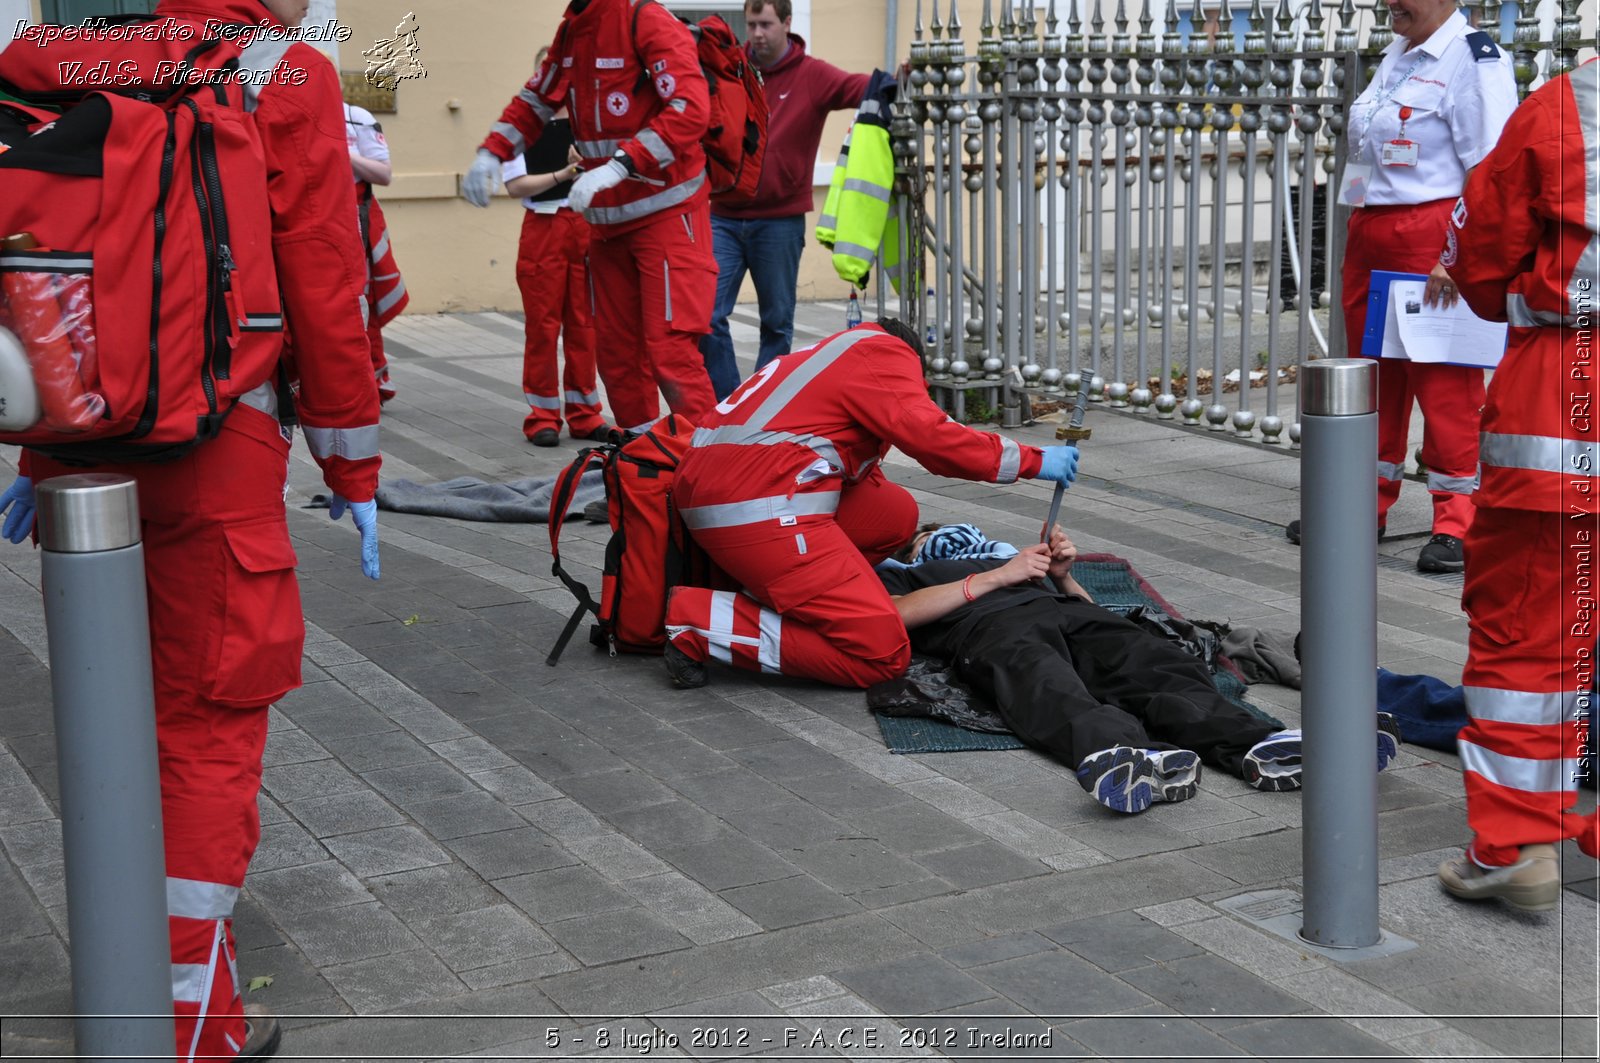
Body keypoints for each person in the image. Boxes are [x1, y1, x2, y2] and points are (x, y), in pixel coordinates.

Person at [0, 1, 383, 1058]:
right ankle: (175, 1025)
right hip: (216, 459)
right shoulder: (287, 74)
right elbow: (325, 281)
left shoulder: (61, 55)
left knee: (107, 721)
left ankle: (175, 1002)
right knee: (206, 727)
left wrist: (39, 452)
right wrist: (352, 465)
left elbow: (42, 266)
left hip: (81, 440)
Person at [660, 319, 1081, 690]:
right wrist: (1035, 460)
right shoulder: (885, 353)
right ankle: (699, 619)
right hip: (757, 503)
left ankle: (804, 593)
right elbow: (933, 438)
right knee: (881, 654)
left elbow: (850, 466)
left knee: (893, 513)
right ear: (912, 357)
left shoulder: (830, 352)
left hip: (719, 489)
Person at [877, 523, 1403, 813]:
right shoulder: (902, 575)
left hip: (1064, 611)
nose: (950, 539)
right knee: (1043, 682)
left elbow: (1084, 608)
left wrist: (1061, 578)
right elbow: (893, 618)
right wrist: (992, 579)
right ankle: (1126, 756)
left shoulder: (1012, 561)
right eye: (932, 534)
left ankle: (1259, 745)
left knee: (1149, 663)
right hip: (988, 629)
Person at [1431, 58, 1600, 912]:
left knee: (1528, 633)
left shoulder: (1565, 106)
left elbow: (1480, 260)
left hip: (1565, 401)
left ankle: (1517, 845)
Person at [1288, 0, 1516, 572]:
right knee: (1371, 377)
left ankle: (1458, 521)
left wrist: (1456, 255)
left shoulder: (1474, 60)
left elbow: (1492, 169)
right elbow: (1369, 149)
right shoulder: (1398, 54)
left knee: (1444, 383)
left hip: (1433, 236)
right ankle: (1362, 506)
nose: (1388, 3)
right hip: (1372, 230)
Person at [461, 0, 719, 434]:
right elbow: (536, 100)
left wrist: (621, 164)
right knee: (617, 357)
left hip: (667, 212)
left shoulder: (645, 19)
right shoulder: (574, 30)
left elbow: (690, 108)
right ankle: (643, 467)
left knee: (670, 353)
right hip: (607, 225)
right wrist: (493, 152)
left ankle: (709, 471)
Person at [696, 0, 870, 397]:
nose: (756, 33)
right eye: (751, 24)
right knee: (706, 316)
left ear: (787, 23)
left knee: (776, 322)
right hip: (722, 215)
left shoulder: (812, 75)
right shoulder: (731, 67)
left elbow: (864, 88)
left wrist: (901, 79)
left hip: (779, 221)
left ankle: (760, 404)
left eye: (766, 24)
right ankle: (728, 406)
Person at [500, 48, 609, 447]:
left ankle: (584, 413)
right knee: (543, 327)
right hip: (543, 226)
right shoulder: (522, 125)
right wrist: (565, 172)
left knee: (585, 325)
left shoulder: (591, 122)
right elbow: (515, 187)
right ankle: (543, 416)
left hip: (584, 225)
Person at [345, 97, 408, 405]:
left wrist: (344, 155)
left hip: (355, 217)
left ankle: (373, 379)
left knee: (362, 301)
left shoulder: (356, 117)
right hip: (308, 214)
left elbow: (384, 174)